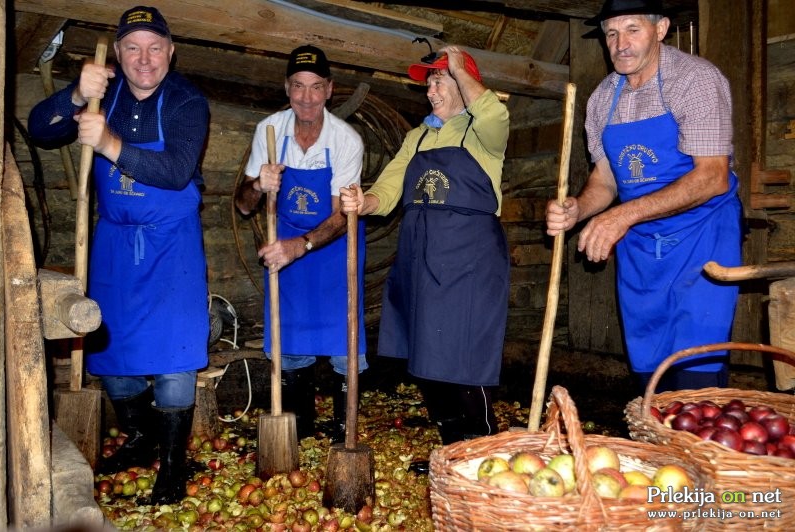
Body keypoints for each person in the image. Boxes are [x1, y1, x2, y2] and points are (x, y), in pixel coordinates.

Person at [28, 6, 210, 504]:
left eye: (155, 48)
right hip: (113, 240)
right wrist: (74, 94)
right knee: (110, 348)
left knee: (175, 353)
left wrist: (108, 142)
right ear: (119, 55)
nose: (144, 58)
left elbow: (175, 171)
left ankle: (173, 470)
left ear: (171, 53)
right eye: (132, 47)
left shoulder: (185, 101)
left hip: (170, 243)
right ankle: (140, 436)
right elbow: (40, 128)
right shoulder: (102, 94)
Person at [545, 0, 742, 393]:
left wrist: (621, 216)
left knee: (694, 370)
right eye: (611, 33)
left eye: (633, 29)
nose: (621, 44)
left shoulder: (694, 80)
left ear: (662, 28)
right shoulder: (604, 98)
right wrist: (578, 209)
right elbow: (606, 180)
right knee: (648, 376)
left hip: (700, 240)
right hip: (641, 248)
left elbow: (712, 177)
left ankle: (696, 448)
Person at [340, 46, 510, 448]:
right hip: (421, 253)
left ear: (462, 83)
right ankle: (452, 443)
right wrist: (364, 202)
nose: (431, 89)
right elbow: (389, 186)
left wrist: (460, 68)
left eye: (440, 79)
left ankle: (481, 443)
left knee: (466, 355)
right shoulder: (418, 135)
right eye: (429, 81)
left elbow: (494, 113)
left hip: (469, 255)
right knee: (427, 351)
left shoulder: (483, 131)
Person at [234, 45, 367, 440]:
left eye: (315, 87)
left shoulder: (346, 140)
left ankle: (346, 431)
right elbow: (243, 206)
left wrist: (300, 246)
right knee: (291, 342)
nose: (306, 98)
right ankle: (301, 431)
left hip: (333, 252)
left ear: (329, 90)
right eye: (298, 86)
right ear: (286, 88)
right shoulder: (269, 132)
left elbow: (342, 214)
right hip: (285, 249)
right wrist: (259, 184)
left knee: (345, 345)